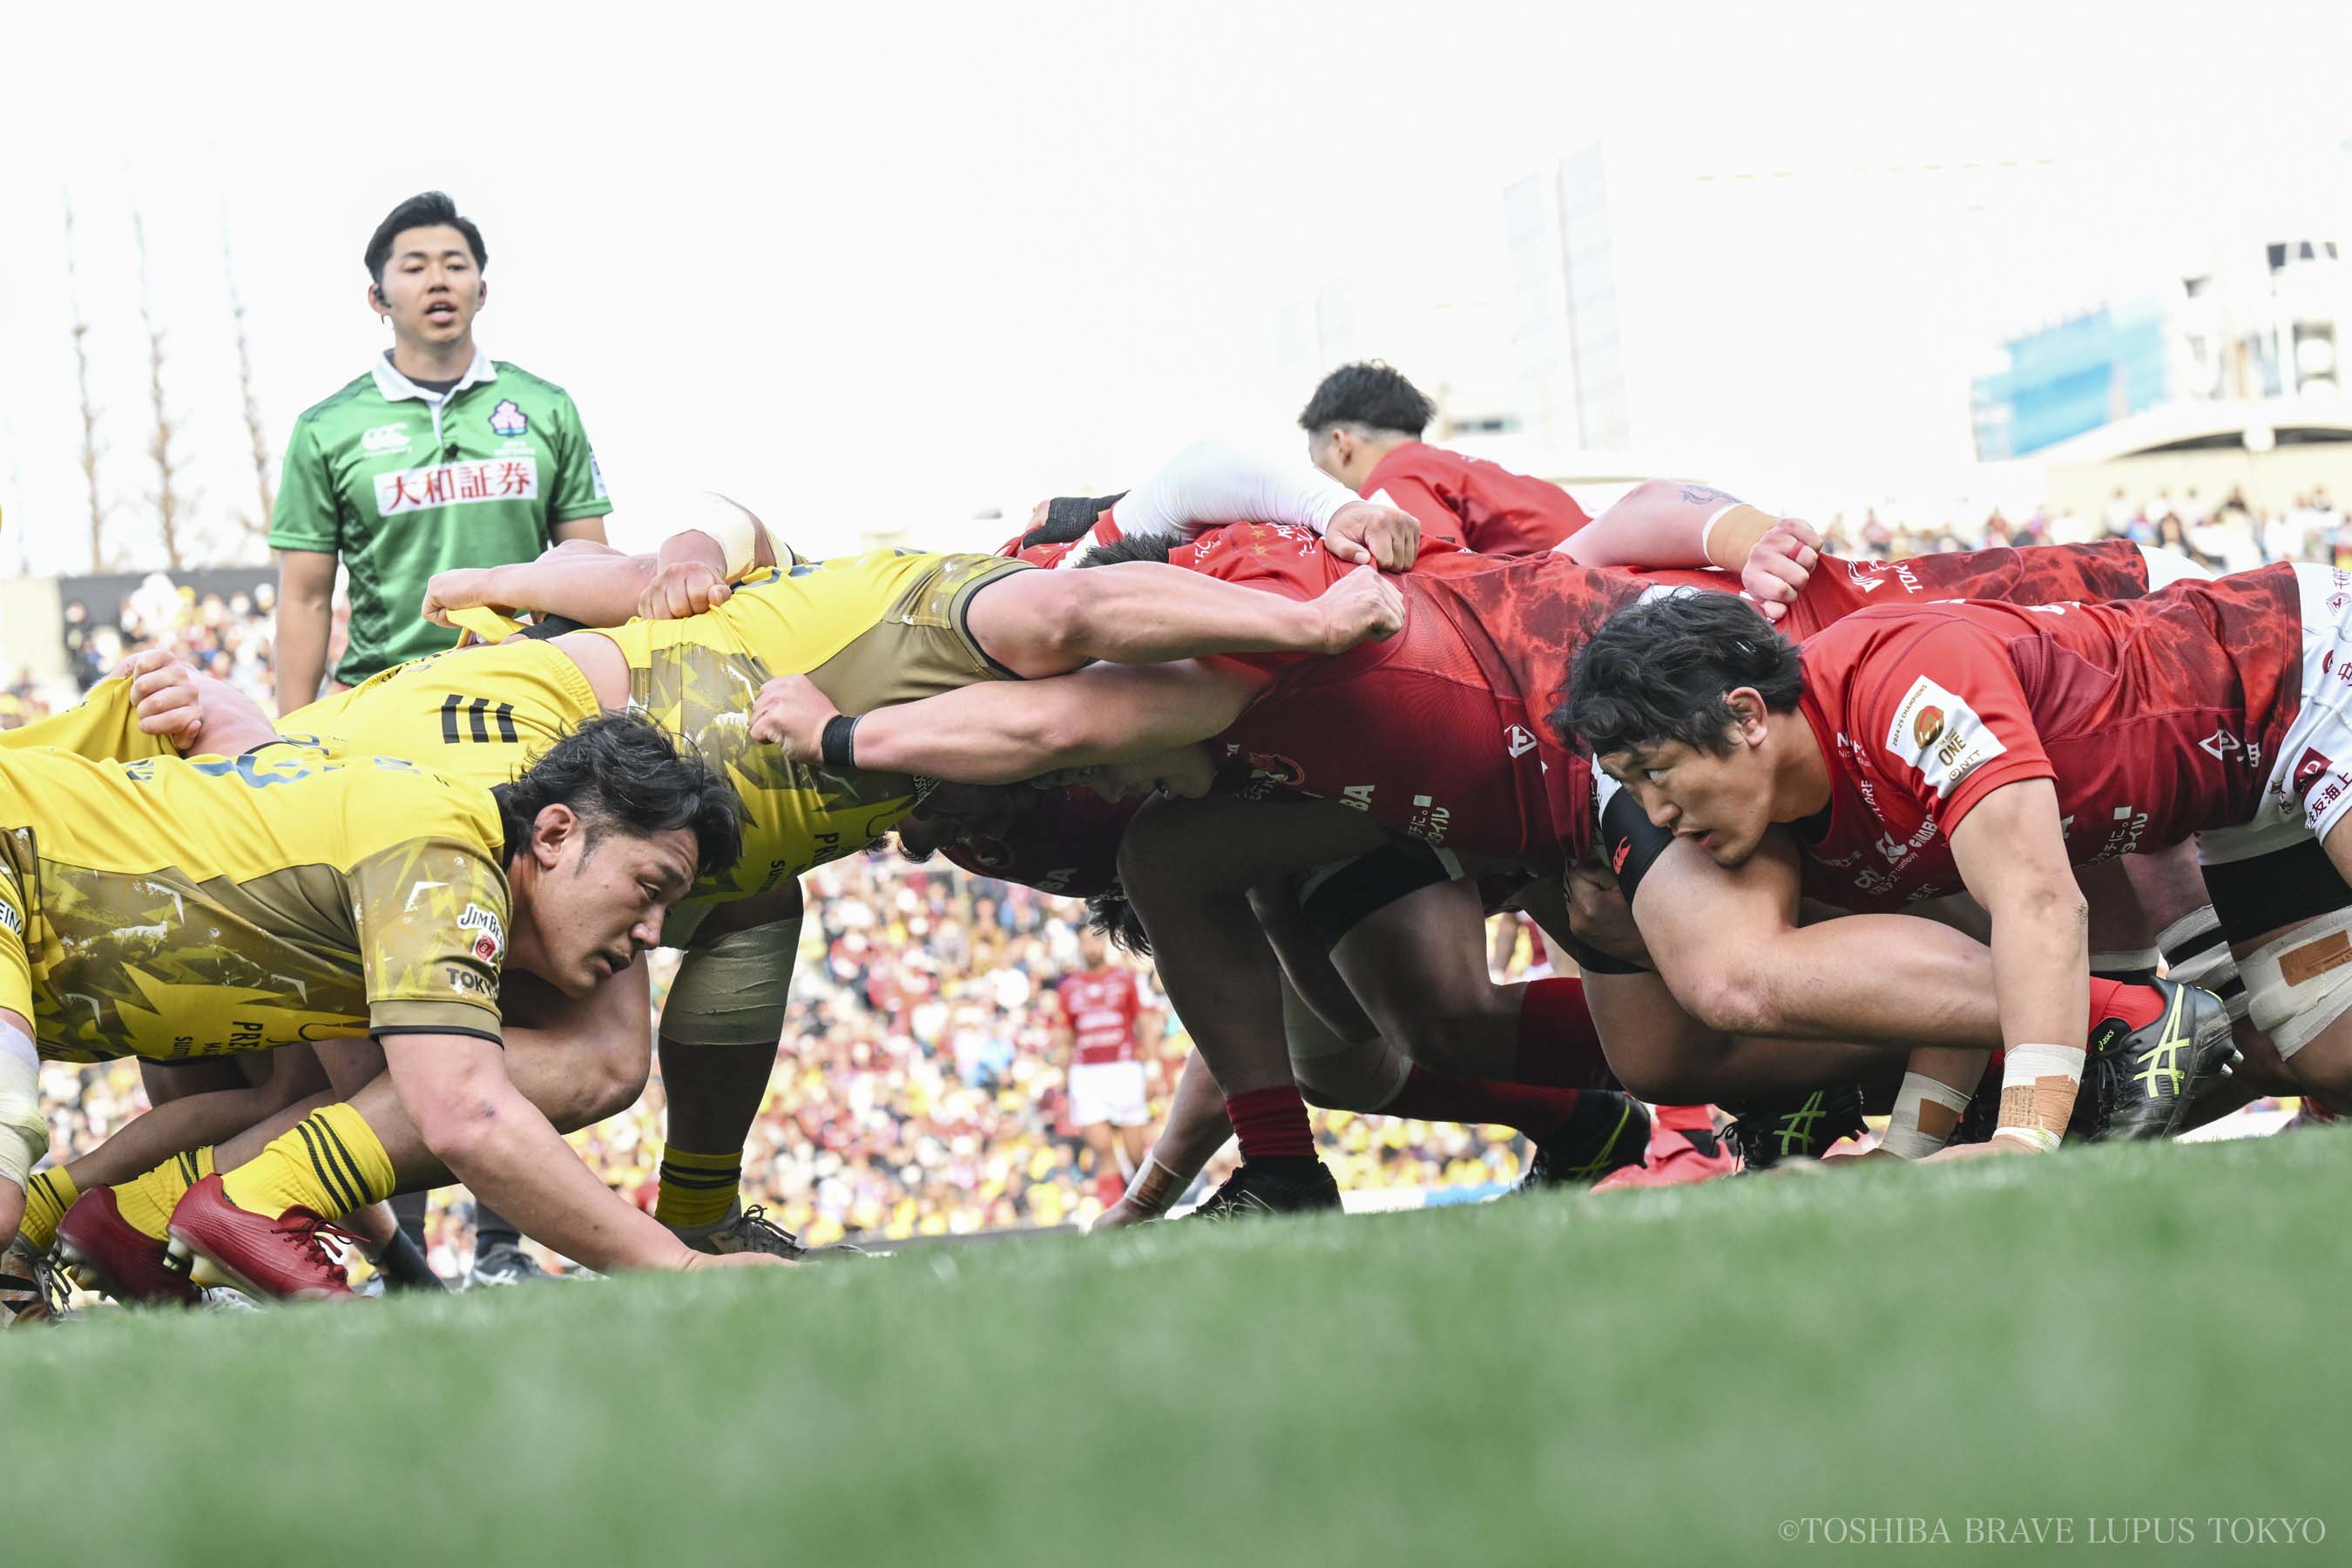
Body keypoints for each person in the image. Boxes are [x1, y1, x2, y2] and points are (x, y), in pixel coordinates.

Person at [1556, 570, 2352, 1148]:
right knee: (2325, 1056)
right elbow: (1957, 974)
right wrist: (1907, 1152)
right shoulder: (1797, 814)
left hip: (2304, 676)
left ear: (1747, 717)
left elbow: (2040, 901)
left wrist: (2024, 1139)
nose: (1655, 815)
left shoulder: (1904, 688)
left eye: (1658, 771)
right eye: (1632, 784)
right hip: (2242, 792)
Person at [3, 716, 784, 1301]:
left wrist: (402, 1269)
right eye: (649, 889)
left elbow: (348, 1114)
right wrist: (678, 1265)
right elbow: (465, 1115)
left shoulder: (410, 886)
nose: (652, 934)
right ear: (553, 833)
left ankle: (62, 1223)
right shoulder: (444, 852)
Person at [265, 190, 618, 1281]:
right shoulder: (329, 429)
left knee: (528, 982)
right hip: (385, 734)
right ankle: (404, 1251)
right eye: (414, 264)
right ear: (378, 297)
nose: (437, 279)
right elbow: (305, 598)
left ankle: (507, 1245)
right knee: (400, 991)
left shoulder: (543, 409)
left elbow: (591, 568)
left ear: (482, 285)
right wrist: (289, 737)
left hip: (524, 726)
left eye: (455, 262)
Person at [1300, 361, 1591, 556]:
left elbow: (1446, 583)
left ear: (1341, 444)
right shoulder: (1452, 468)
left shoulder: (1393, 485)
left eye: (1317, 461)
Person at [1046, 929, 1159, 1208]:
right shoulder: (1069, 987)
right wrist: (1064, 1080)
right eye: (1086, 943)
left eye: (1095, 941)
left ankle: (1151, 1209)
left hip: (1124, 1068)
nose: (1091, 948)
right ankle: (1113, 1213)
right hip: (1087, 1074)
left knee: (1136, 1153)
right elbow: (1066, 1037)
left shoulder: (1125, 979)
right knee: (1102, 1150)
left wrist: (1152, 1067)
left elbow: (1144, 1024)